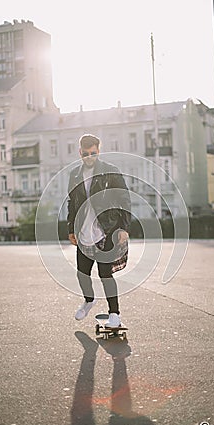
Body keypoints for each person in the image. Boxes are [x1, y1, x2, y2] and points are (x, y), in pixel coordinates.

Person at [67, 134, 131, 328]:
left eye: (93, 153)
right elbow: (72, 203)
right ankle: (89, 300)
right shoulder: (75, 174)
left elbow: (124, 199)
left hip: (107, 229)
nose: (89, 157)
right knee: (82, 273)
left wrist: (123, 228)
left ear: (98, 151)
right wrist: (71, 229)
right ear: (80, 152)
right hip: (84, 231)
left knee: (105, 274)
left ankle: (115, 314)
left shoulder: (111, 171)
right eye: (85, 154)